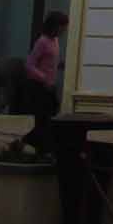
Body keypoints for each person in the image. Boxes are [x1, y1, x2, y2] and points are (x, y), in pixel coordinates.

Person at [17, 11, 68, 157]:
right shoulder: (42, 41)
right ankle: (42, 150)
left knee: (51, 119)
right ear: (54, 26)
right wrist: (44, 78)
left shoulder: (56, 41)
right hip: (38, 87)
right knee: (44, 120)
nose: (64, 31)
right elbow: (29, 64)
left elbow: (52, 63)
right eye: (62, 27)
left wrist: (53, 80)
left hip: (50, 86)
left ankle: (31, 144)